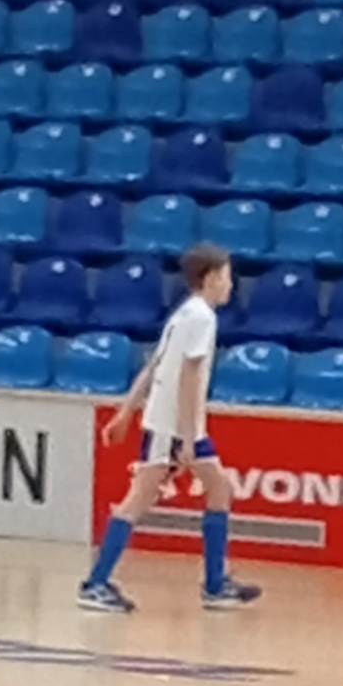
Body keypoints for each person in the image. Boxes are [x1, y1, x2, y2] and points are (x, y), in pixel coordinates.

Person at [82, 243, 261, 613]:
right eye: (227, 276)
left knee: (219, 488)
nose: (231, 284)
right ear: (210, 278)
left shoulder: (184, 313)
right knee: (139, 498)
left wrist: (125, 412)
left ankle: (215, 584)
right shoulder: (202, 318)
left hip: (172, 423)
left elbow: (155, 365)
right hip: (173, 426)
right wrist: (189, 436)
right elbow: (188, 377)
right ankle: (95, 584)